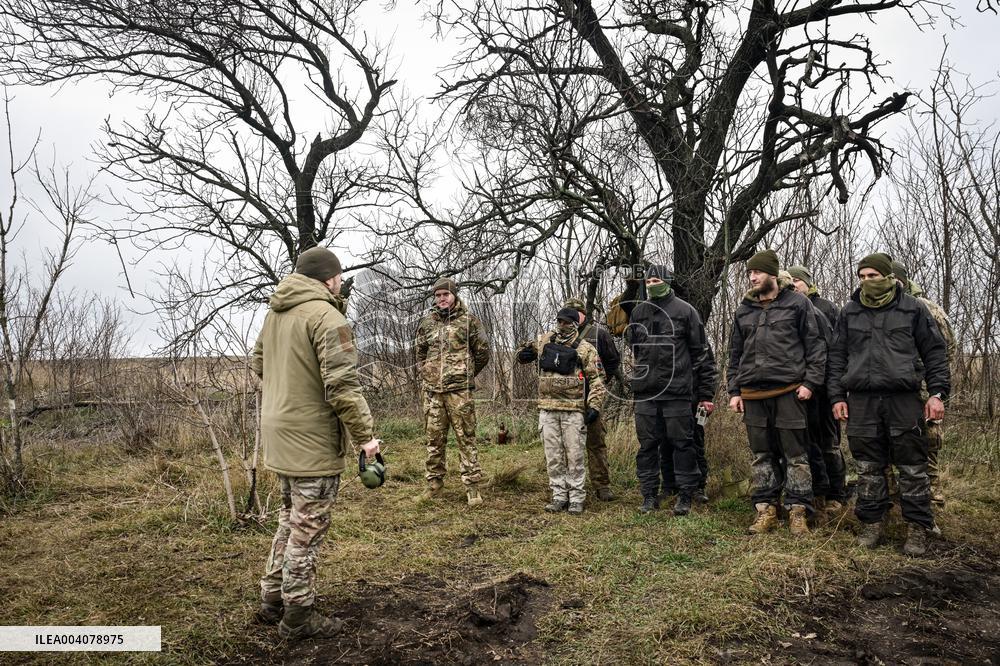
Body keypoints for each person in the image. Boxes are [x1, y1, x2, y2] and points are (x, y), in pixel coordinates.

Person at [252, 246, 381, 639]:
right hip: (312, 442)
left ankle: (271, 600)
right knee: (306, 533)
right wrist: (366, 439)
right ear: (329, 278)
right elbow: (342, 386)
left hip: (279, 437)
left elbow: (258, 363)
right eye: (339, 276)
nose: (341, 282)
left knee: (288, 522)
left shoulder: (276, 313)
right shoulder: (327, 316)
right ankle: (298, 617)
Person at [828, 253, 950, 556]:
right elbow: (837, 358)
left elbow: (935, 353)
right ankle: (872, 524)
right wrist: (836, 397)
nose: (868, 281)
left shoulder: (913, 309)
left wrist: (937, 394)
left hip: (903, 399)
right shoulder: (850, 312)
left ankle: (917, 528)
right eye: (862, 276)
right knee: (868, 467)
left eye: (873, 275)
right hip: (861, 401)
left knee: (912, 467)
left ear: (889, 277)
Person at [727, 250, 826, 536]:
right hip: (753, 395)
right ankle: (766, 509)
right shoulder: (744, 309)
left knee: (796, 454)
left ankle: (798, 510)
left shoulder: (798, 304)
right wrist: (734, 390)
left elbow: (816, 347)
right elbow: (735, 354)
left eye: (757, 272)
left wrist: (810, 383)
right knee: (761, 454)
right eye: (749, 273)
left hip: (789, 392)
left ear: (772, 274)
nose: (752, 277)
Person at [625, 265, 715, 516]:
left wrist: (706, 393)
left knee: (682, 444)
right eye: (648, 280)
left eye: (656, 280)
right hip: (646, 392)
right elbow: (635, 348)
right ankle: (649, 494)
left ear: (667, 281)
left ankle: (685, 494)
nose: (652, 284)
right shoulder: (639, 312)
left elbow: (702, 355)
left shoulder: (686, 311)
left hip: (677, 391)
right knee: (647, 446)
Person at [517, 307, 607, 514]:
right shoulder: (545, 342)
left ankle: (576, 497)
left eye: (567, 322)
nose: (562, 325)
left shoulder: (585, 349)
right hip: (547, 409)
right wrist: (523, 354)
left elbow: (597, 380)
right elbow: (522, 353)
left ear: (575, 324)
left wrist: (593, 405)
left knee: (575, 456)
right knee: (553, 456)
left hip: (573, 410)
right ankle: (558, 496)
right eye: (559, 321)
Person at [413, 278, 491, 506]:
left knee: (466, 438)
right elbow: (420, 352)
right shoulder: (427, 323)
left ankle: (472, 487)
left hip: (459, 392)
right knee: (434, 439)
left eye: (445, 294)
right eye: (437, 296)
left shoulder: (469, 322)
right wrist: (428, 371)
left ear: (454, 295)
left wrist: (464, 373)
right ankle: (434, 485)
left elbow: (483, 353)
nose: (441, 299)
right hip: (433, 393)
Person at [891, 260, 956, 506]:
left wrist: (933, 384)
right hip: (898, 388)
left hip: (925, 386)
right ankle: (898, 494)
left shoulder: (925, 307)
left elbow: (946, 347)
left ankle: (931, 495)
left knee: (927, 441)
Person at [786, 266, 848, 520]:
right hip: (800, 389)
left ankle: (837, 494)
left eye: (798, 281)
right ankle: (813, 493)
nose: (794, 285)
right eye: (790, 281)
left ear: (808, 284)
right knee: (806, 444)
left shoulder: (826, 307)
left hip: (824, 389)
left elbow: (835, 350)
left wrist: (834, 388)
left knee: (829, 444)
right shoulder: (789, 307)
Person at [562, 297, 621, 501]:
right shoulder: (560, 335)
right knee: (566, 445)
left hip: (591, 396)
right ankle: (567, 486)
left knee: (596, 442)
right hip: (566, 398)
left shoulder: (599, 334)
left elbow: (613, 361)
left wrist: (599, 385)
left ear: (583, 315)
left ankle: (602, 485)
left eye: (574, 313)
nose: (570, 317)